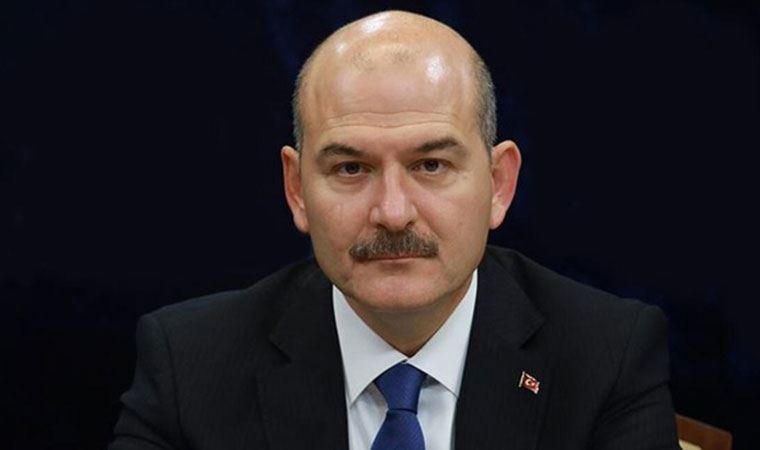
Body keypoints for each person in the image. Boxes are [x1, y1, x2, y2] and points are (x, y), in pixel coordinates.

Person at [109, 10, 680, 450]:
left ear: (499, 184)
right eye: (350, 169)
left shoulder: (606, 356)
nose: (392, 212)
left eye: (430, 165)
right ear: (296, 189)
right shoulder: (189, 365)